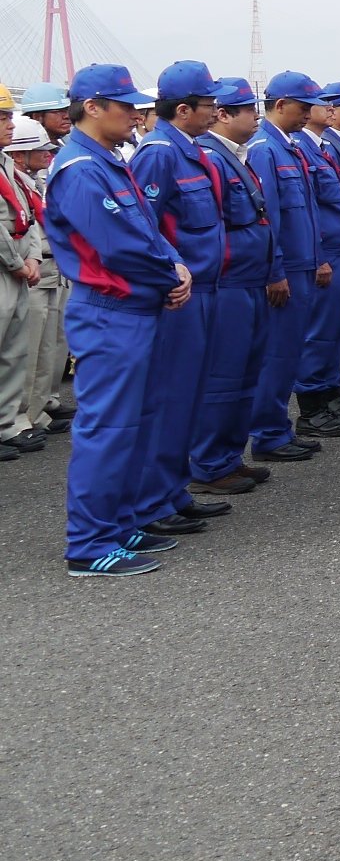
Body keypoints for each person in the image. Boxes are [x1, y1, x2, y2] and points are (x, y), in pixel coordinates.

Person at [44, 65, 193, 577]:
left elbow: (147, 229)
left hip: (135, 308)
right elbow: (118, 246)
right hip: (110, 313)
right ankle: (89, 544)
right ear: (92, 107)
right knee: (108, 428)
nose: (135, 113)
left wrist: (175, 265)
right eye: (125, 105)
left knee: (137, 423)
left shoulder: (107, 160)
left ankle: (119, 522)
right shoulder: (80, 169)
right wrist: (169, 275)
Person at [126, 62, 230, 539]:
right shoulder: (158, 154)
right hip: (179, 294)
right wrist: (169, 276)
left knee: (190, 396)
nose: (215, 112)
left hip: (206, 288)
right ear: (183, 109)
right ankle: (151, 500)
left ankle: (173, 491)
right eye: (209, 104)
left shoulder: (189, 149)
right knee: (169, 397)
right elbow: (143, 227)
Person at [189, 78, 281, 497]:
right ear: (223, 115)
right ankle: (208, 463)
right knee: (223, 376)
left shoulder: (236, 157)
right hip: (228, 281)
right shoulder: (210, 157)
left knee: (245, 375)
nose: (256, 117)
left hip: (250, 278)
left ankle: (228, 456)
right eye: (247, 110)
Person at [246, 72, 330, 462]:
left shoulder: (288, 147)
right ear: (280, 105)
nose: (308, 114)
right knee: (277, 355)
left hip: (303, 265)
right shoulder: (265, 149)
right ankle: (267, 433)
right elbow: (269, 219)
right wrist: (274, 271)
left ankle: (278, 427)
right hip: (287, 269)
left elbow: (306, 213)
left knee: (291, 352)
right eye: (303, 107)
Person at [295, 84, 340, 433]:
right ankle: (311, 404)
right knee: (318, 332)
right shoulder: (300, 147)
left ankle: (331, 390)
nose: (330, 109)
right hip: (327, 253)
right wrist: (318, 255)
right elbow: (307, 210)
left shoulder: (321, 148)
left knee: (337, 328)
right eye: (325, 104)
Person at [13, 83, 74, 441]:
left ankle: (42, 405)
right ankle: (21, 416)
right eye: (57, 111)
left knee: (52, 343)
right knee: (28, 347)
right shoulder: (18, 171)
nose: (66, 116)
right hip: (33, 265)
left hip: (55, 262)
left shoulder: (56, 157)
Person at [0, 91, 46, 459]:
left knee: (14, 352)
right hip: (6, 266)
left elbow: (25, 216)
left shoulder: (7, 166)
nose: (10, 125)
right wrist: (18, 264)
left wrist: (32, 258)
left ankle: (5, 425)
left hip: (16, 266)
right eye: (2, 118)